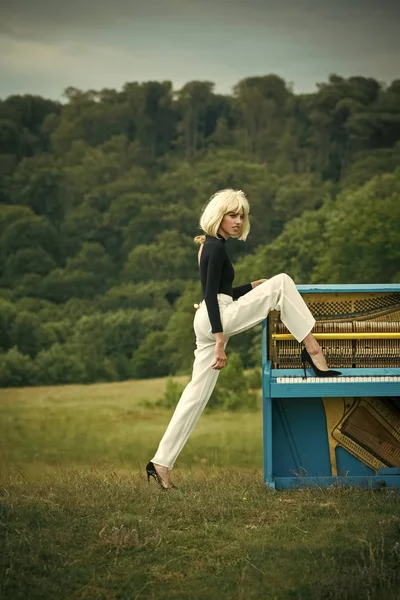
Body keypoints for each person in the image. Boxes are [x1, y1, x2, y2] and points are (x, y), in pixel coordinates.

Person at [146, 188, 340, 490]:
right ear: (219, 216)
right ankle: (314, 350)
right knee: (284, 282)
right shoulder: (216, 248)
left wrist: (251, 286)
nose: (238, 221)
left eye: (242, 216)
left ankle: (160, 463)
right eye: (232, 215)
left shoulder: (208, 245)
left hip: (211, 317)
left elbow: (221, 291)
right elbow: (211, 296)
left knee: (194, 397)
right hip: (216, 320)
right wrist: (221, 342)